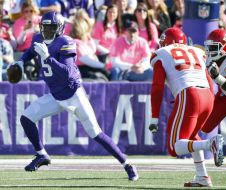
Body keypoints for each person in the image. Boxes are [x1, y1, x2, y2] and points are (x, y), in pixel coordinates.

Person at [7, 11, 138, 181]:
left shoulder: (65, 42)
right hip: (55, 95)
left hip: (73, 94)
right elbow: (31, 52)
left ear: (60, 29)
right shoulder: (38, 38)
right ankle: (42, 155)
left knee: (96, 133)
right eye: (44, 28)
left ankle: (127, 164)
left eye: (51, 28)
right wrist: (20, 61)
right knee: (26, 118)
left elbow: (67, 74)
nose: (47, 32)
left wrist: (47, 58)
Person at [148, 27, 224, 187]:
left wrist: (154, 117)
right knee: (191, 136)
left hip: (190, 94)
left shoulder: (161, 54)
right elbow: (209, 82)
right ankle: (202, 176)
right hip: (207, 96)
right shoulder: (197, 51)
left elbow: (157, 87)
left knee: (174, 147)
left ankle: (210, 144)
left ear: (168, 41)